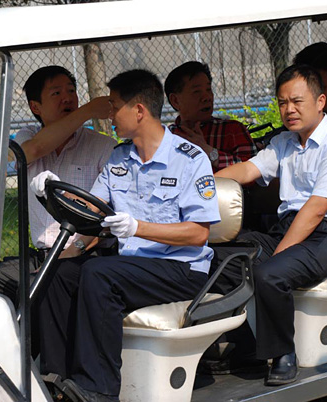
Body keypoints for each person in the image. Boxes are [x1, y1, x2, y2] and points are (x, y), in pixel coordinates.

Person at [33, 69, 221, 401]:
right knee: (57, 273)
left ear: (139, 110)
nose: (109, 114)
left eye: (115, 106)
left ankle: (99, 389)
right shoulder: (119, 157)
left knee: (99, 273)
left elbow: (197, 234)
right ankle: (57, 382)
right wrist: (51, 192)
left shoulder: (190, 159)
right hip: (131, 268)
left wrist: (138, 228)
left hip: (180, 269)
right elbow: (93, 208)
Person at [215, 64, 327, 385]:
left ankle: (284, 354)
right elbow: (247, 171)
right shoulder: (285, 142)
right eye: (283, 102)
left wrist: (278, 255)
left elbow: (317, 209)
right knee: (217, 256)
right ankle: (247, 342)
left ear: (320, 101)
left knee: (270, 273)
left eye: (297, 101)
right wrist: (201, 185)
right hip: (289, 227)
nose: (289, 110)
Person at [15, 66, 116, 259]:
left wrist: (73, 251)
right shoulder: (27, 137)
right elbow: (32, 151)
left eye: (71, 91)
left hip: (86, 255)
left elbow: (111, 214)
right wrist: (89, 110)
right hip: (42, 255)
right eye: (56, 93)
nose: (67, 98)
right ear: (35, 107)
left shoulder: (104, 146)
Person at [164, 61, 256, 172]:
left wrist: (209, 152)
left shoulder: (232, 130)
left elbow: (252, 172)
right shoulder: (167, 138)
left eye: (209, 89)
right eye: (197, 92)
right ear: (175, 101)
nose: (207, 97)